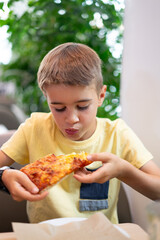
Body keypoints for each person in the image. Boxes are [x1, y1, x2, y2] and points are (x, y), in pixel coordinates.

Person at [0, 42, 160, 224]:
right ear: (47, 98)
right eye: (59, 108)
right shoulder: (34, 128)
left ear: (101, 96)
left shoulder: (117, 134)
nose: (72, 119)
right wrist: (3, 175)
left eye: (82, 106)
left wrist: (124, 171)